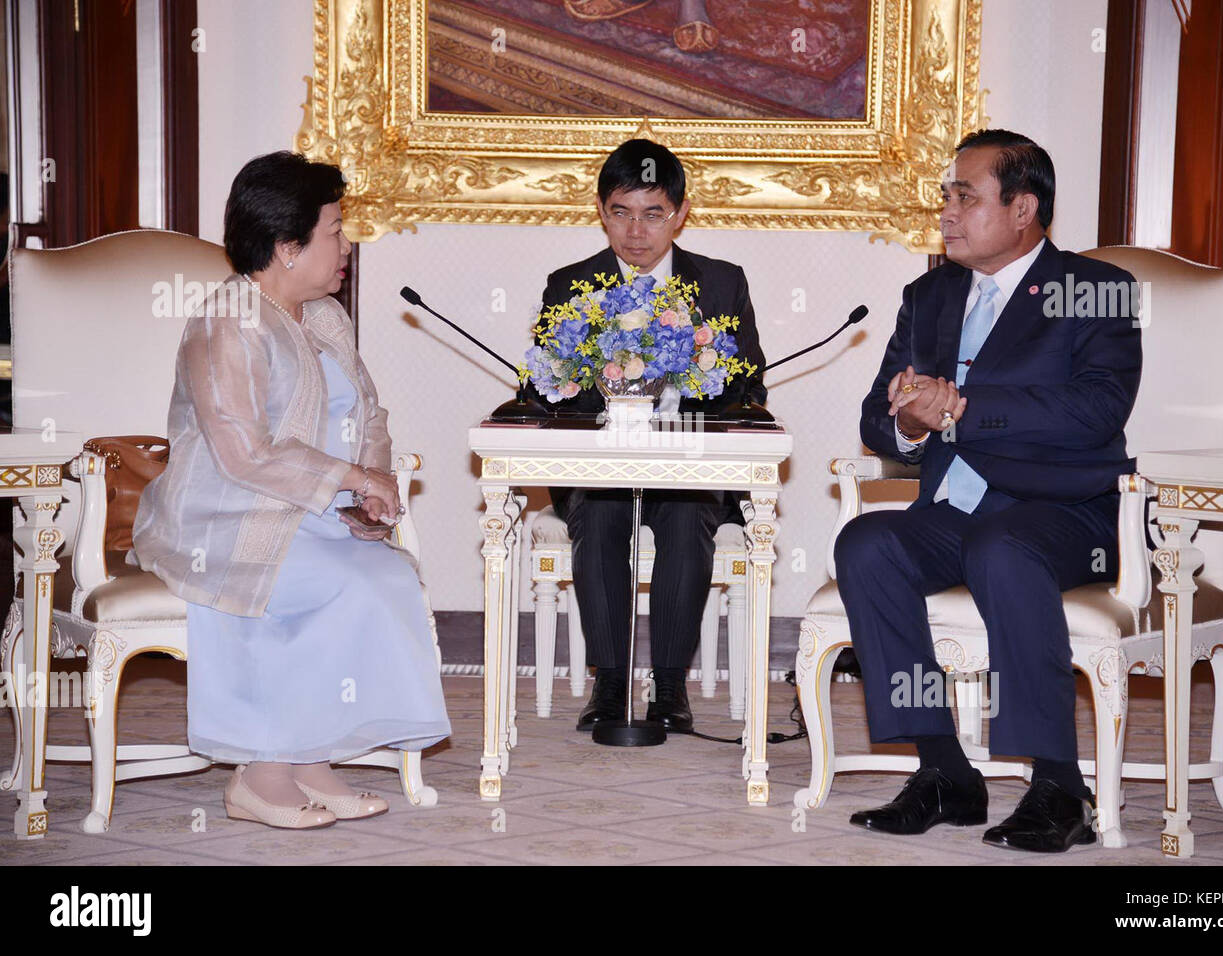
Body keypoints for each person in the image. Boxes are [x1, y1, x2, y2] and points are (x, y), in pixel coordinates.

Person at [834, 129, 1142, 852]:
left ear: (1023, 208)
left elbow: (1096, 410)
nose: (946, 210)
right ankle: (945, 772)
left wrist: (964, 408)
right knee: (867, 542)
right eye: (946, 194)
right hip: (955, 512)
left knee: (1005, 549)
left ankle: (1061, 786)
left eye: (964, 196)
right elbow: (877, 422)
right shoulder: (930, 294)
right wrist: (910, 423)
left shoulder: (1092, 289)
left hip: (1066, 515)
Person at [133, 151, 451, 829]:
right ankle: (261, 775)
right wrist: (349, 479)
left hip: (312, 517)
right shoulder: (227, 323)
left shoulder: (326, 317)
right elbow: (244, 453)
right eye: (335, 230)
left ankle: (310, 759)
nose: (346, 244)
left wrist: (371, 486)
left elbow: (371, 415)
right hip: (228, 522)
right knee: (346, 584)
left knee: (386, 575)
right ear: (287, 246)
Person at [527, 138, 765, 733]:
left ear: (681, 213)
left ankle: (668, 688)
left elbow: (749, 385)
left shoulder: (720, 284)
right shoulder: (569, 285)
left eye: (653, 213)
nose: (636, 232)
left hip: (688, 466)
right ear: (601, 211)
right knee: (603, 514)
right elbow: (542, 386)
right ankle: (610, 686)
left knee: (687, 518)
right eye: (621, 212)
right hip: (598, 469)